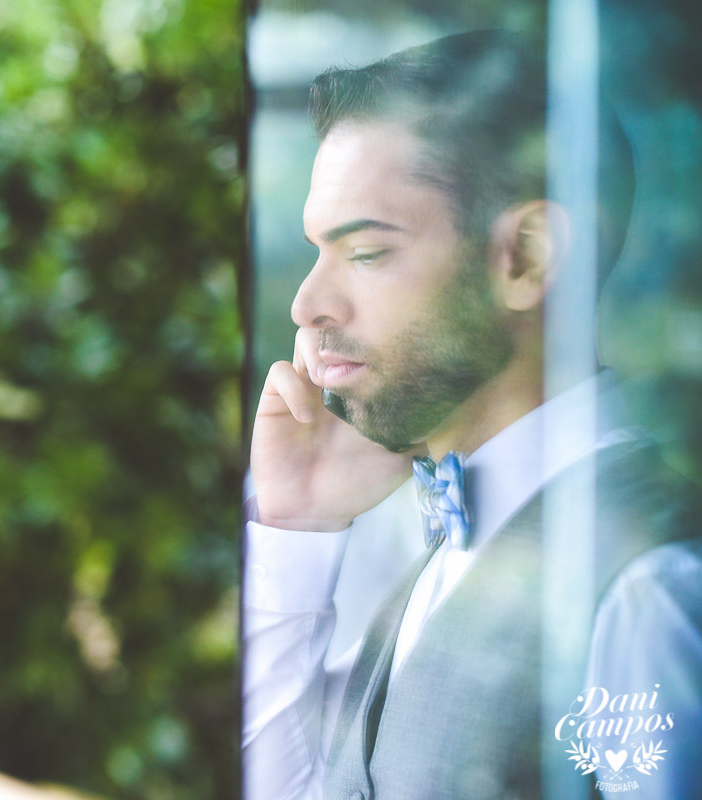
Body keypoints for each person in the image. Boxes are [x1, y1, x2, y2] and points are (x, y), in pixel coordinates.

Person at [243, 30, 702, 799]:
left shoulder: (647, 581)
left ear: (525, 257)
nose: (306, 304)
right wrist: (296, 529)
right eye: (316, 252)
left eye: (364, 254)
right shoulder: (435, 553)